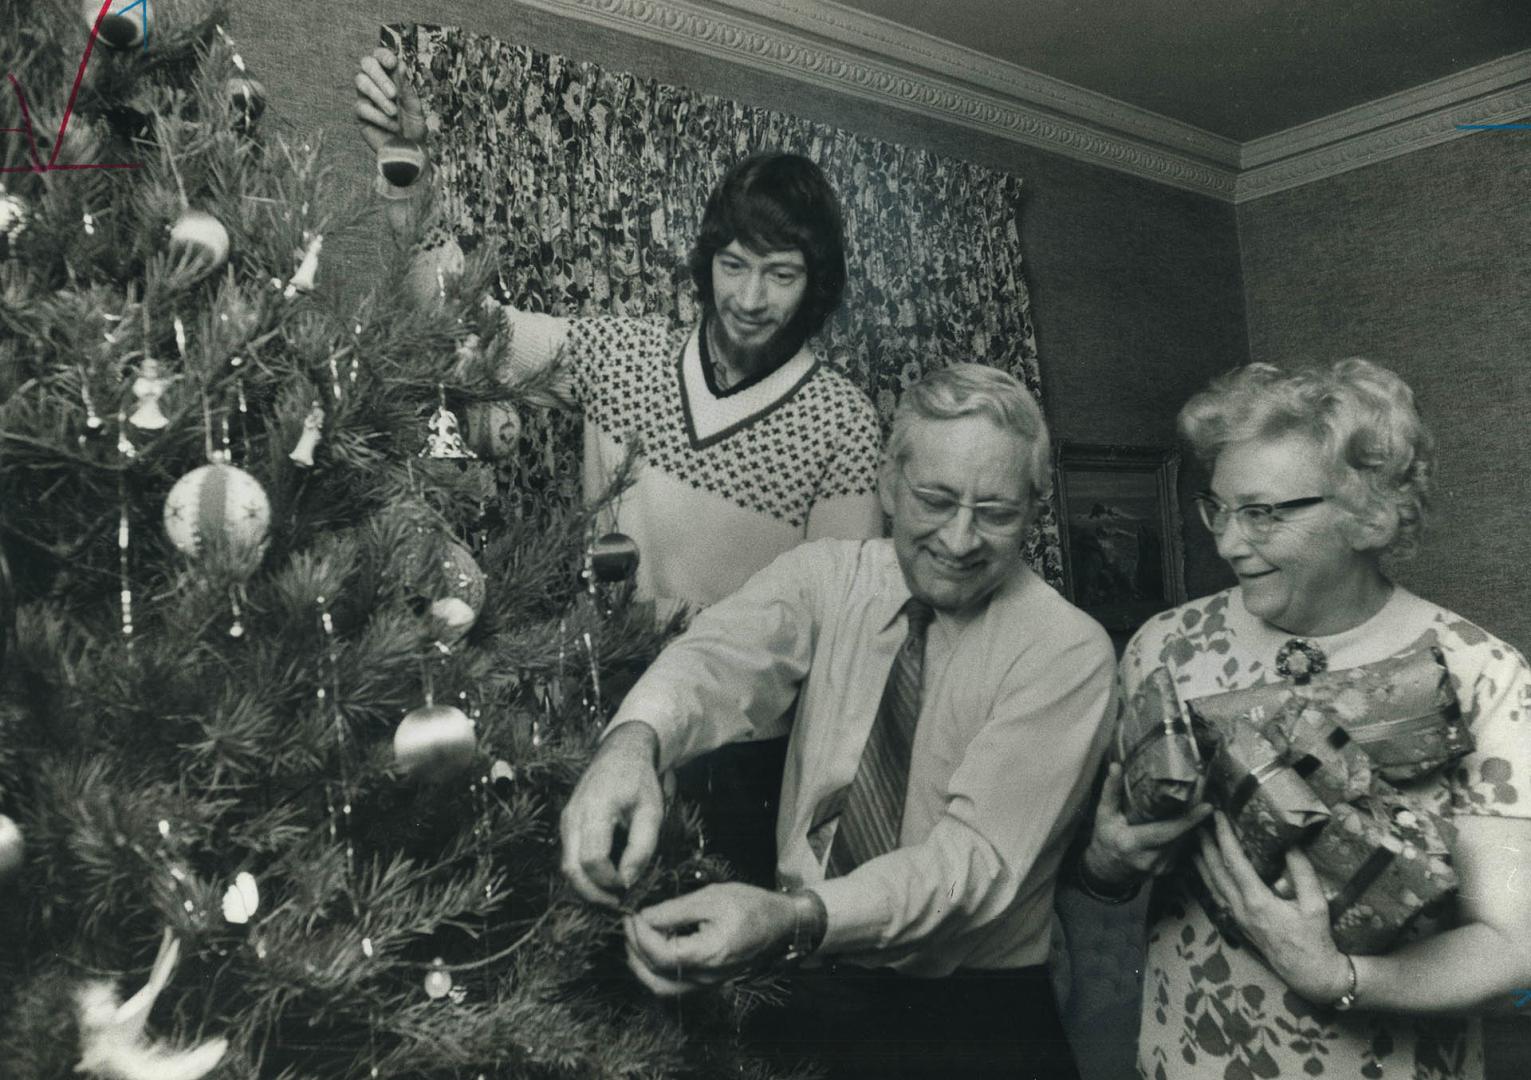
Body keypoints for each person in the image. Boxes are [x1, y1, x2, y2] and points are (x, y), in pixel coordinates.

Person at [559, 363, 1116, 1079]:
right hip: (807, 990)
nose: (958, 538)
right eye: (935, 500)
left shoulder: (1066, 651)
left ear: (1035, 509)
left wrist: (793, 919)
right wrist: (632, 748)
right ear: (887, 484)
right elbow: (717, 658)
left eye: (996, 513)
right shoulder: (828, 576)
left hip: (977, 1019)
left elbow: (967, 868)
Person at [1075, 358, 1531, 1079]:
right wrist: (1107, 863)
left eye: (1261, 513)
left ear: (1367, 512)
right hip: (1184, 1060)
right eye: (1217, 508)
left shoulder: (1482, 675)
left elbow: (1514, 954)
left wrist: (1336, 976)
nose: (1226, 543)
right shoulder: (1162, 649)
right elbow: (1107, 878)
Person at [353, 47, 883, 612]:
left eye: (780, 275)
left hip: (735, 701)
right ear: (708, 263)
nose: (750, 300)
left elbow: (840, 624)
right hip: (596, 688)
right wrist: (403, 168)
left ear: (814, 282)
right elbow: (468, 323)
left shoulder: (842, 424)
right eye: (734, 266)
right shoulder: (624, 356)